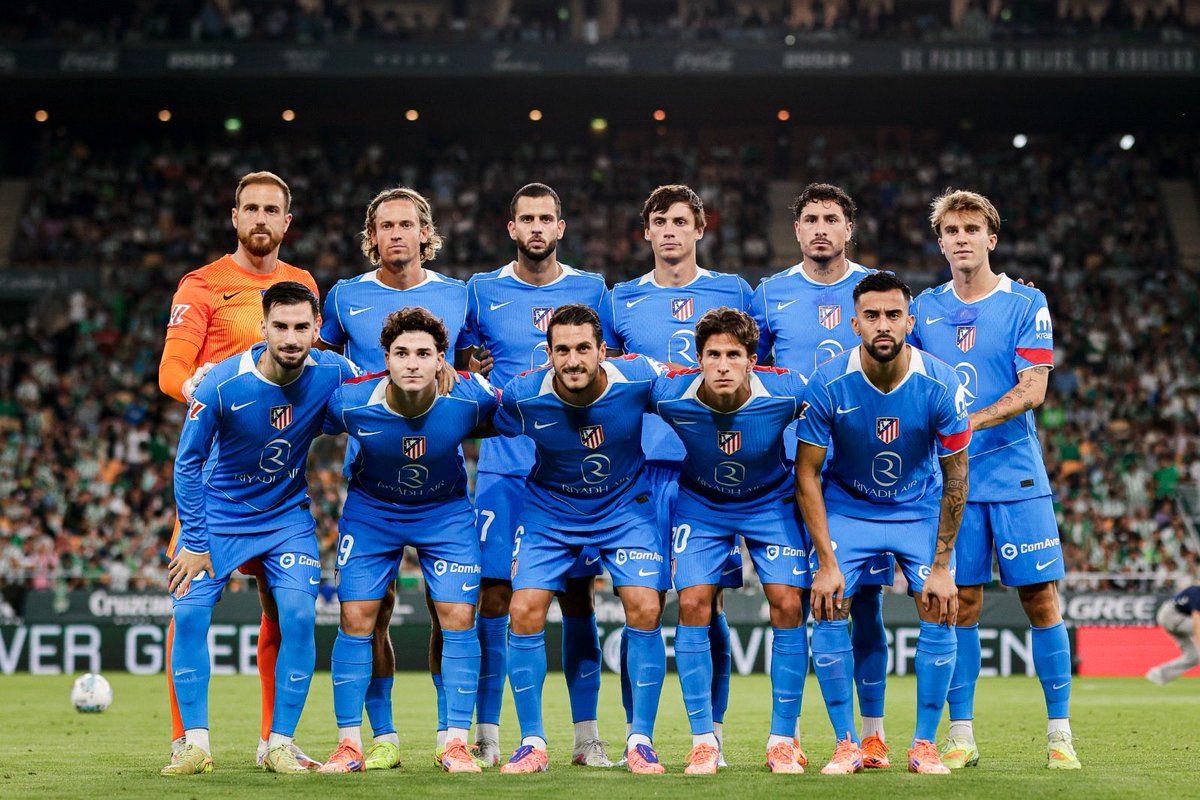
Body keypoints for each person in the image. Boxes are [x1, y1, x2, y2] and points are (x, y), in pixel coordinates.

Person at [158, 171, 322, 769]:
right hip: (216, 480)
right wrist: (200, 389)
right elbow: (171, 370)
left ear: (286, 221)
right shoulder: (202, 285)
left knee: (283, 612)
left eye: (271, 210)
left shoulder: (302, 285)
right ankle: (188, 740)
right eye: (249, 208)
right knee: (189, 604)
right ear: (235, 217)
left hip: (279, 484)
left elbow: (317, 368)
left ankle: (274, 741)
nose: (260, 218)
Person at [911, 189, 1080, 770]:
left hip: (1015, 476)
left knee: (1040, 598)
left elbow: (1033, 389)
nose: (961, 238)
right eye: (951, 231)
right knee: (960, 603)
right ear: (940, 243)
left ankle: (1059, 735)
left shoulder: (1026, 301)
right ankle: (961, 736)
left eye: (971, 229)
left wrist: (965, 423)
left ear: (992, 238)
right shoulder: (923, 309)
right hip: (952, 484)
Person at [161, 282, 358, 776]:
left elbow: (385, 394)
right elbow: (187, 464)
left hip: (284, 516)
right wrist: (196, 542)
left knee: (298, 617)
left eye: (302, 327)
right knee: (188, 616)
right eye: (281, 326)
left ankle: (279, 744)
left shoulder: (335, 372)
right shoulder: (221, 384)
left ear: (317, 328)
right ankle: (194, 745)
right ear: (263, 327)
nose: (291, 338)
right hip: (219, 515)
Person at [316, 186, 470, 769]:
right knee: (367, 612)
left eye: (407, 224)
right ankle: (376, 738)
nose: (397, 234)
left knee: (447, 614)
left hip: (440, 482)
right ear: (372, 236)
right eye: (386, 226)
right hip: (372, 479)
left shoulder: (458, 295)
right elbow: (321, 369)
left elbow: (475, 368)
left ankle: (452, 737)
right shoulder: (345, 296)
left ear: (426, 233)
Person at [457, 184, 610, 767]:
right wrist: (471, 368)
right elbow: (462, 367)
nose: (537, 227)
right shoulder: (480, 290)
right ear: (512, 227)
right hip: (504, 466)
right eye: (527, 219)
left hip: (572, 471)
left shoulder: (592, 289)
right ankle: (489, 735)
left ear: (560, 227)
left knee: (577, 597)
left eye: (547, 218)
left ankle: (586, 739)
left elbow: (608, 364)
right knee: (495, 595)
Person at [599, 184, 751, 762]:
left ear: (699, 229)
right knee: (640, 605)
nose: (669, 230)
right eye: (659, 221)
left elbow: (756, 365)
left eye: (680, 221)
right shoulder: (621, 299)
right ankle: (637, 734)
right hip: (638, 474)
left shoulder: (734, 291)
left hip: (709, 473)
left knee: (706, 606)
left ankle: (711, 734)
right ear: (646, 232)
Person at [796, 271, 969, 776]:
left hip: (918, 507)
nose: (883, 325)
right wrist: (826, 562)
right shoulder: (828, 382)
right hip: (850, 507)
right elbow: (806, 474)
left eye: (894, 314)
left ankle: (924, 745)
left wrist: (942, 566)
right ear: (855, 324)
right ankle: (847, 743)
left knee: (939, 603)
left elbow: (957, 476)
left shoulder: (941, 383)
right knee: (830, 603)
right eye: (871, 316)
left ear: (910, 322)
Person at [749, 183, 894, 766]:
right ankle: (794, 736)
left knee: (867, 605)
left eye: (831, 219)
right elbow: (749, 371)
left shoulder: (876, 290)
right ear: (797, 229)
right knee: (801, 602)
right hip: (792, 471)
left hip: (861, 473)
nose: (820, 229)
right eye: (810, 219)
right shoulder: (769, 294)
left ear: (848, 229)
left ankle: (873, 733)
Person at [318, 307, 499, 774]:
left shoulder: (472, 397)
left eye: (423, 353)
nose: (412, 363)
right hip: (372, 512)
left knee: (458, 618)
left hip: (445, 513)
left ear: (442, 359)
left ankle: (453, 742)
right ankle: (356, 744)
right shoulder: (350, 401)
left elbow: (526, 410)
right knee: (357, 618)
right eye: (401, 353)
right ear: (386, 359)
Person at [493, 304, 668, 774]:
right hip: (550, 510)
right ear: (548, 354)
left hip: (624, 507)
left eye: (583, 348)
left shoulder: (639, 376)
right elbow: (478, 415)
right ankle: (532, 743)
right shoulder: (524, 393)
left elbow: (690, 384)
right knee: (523, 610)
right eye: (563, 350)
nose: (573, 360)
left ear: (603, 351)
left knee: (646, 606)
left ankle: (641, 740)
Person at [651, 307, 809, 774]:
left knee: (788, 603)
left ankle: (783, 740)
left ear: (752, 361)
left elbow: (841, 398)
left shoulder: (787, 390)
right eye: (713, 355)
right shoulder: (669, 393)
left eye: (734, 355)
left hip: (770, 502)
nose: (723, 365)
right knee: (693, 602)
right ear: (698, 359)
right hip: (702, 503)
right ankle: (704, 742)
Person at [1146, 584, 1200, 685]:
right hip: (1171, 615)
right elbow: (1197, 621)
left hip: (1175, 618)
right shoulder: (1197, 591)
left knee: (1194, 657)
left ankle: (1159, 674)